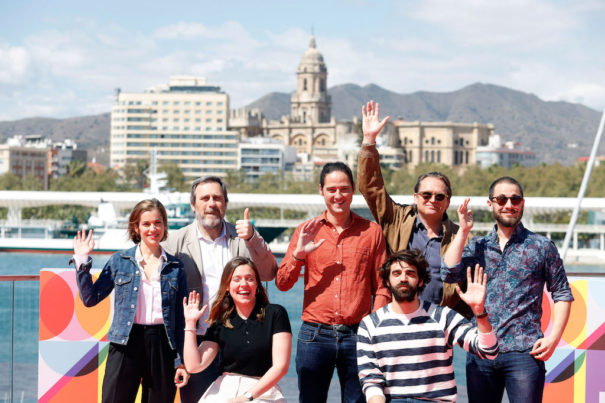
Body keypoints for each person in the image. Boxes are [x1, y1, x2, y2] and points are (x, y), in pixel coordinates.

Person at [442, 177, 574, 403]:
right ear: (490, 204)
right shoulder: (477, 247)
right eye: (501, 199)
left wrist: (554, 337)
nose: (508, 204)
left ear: (522, 203)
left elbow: (562, 293)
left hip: (525, 353)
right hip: (480, 350)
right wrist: (463, 231)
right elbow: (449, 273)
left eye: (515, 199)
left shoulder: (541, 247)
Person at [276, 161, 390, 403]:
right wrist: (298, 254)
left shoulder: (372, 232)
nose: (338, 196)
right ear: (321, 191)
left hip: (358, 334)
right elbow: (283, 283)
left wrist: (374, 326)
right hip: (314, 336)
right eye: (331, 190)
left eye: (344, 189)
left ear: (353, 190)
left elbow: (382, 286)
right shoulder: (305, 231)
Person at [163, 175, 278, 402]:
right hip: (198, 340)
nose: (211, 203)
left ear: (225, 203)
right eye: (204, 198)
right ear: (193, 205)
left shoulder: (243, 238)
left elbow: (269, 273)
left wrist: (253, 238)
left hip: (241, 339)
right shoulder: (175, 241)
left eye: (217, 198)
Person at [358, 100, 471, 317]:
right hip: (397, 318)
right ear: (415, 197)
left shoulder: (461, 236)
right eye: (426, 195)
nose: (432, 200)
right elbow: (370, 187)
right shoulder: (396, 219)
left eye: (440, 196)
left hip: (438, 325)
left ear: (448, 201)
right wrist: (369, 142)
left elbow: (467, 282)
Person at [71, 198, 189, 403]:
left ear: (164, 225)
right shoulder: (119, 261)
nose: (153, 228)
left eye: (158, 222)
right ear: (136, 227)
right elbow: (90, 299)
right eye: (146, 224)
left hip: (162, 344)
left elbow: (181, 319)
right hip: (125, 341)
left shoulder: (176, 267)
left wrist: (181, 361)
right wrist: (82, 260)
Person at [357, 249, 499, 402]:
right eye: (396, 273)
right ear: (387, 281)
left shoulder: (443, 317)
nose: (403, 278)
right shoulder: (370, 324)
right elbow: (370, 379)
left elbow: (489, 351)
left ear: (420, 281)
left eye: (410, 273)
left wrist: (479, 311)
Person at [183, 256, 292, 402]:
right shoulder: (221, 321)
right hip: (224, 389)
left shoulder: (276, 313)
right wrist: (190, 323)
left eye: (249, 279)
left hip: (263, 391)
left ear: (257, 285)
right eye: (237, 279)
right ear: (227, 286)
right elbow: (193, 366)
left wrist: (246, 397)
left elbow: (281, 367)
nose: (243, 284)